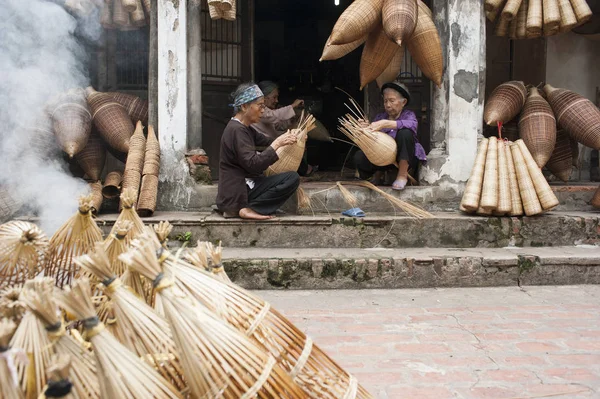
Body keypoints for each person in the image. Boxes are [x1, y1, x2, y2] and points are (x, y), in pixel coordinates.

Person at [216, 82, 300, 220]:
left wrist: (294, 136)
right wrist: (278, 143)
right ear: (244, 107)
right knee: (292, 178)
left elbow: (267, 140)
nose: (263, 110)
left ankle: (249, 206)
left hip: (244, 187)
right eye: (260, 106)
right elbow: (253, 164)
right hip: (237, 192)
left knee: (288, 177)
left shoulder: (244, 128)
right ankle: (249, 209)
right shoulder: (236, 130)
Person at [353, 81, 427, 190]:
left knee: (405, 133)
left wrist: (386, 123)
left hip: (404, 157)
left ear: (403, 102)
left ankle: (402, 175)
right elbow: (373, 138)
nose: (388, 105)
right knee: (359, 155)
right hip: (384, 158)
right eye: (385, 101)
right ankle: (376, 175)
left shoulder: (408, 115)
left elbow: (412, 125)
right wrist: (365, 129)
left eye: (392, 101)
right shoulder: (380, 117)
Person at [252, 81, 316, 176]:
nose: (277, 101)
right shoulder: (260, 110)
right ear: (264, 98)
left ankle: (304, 169)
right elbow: (273, 116)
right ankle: (305, 169)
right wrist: (293, 106)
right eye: (274, 97)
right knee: (291, 144)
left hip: (268, 140)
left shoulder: (266, 110)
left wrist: (292, 121)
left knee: (293, 140)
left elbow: (277, 124)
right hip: (263, 142)